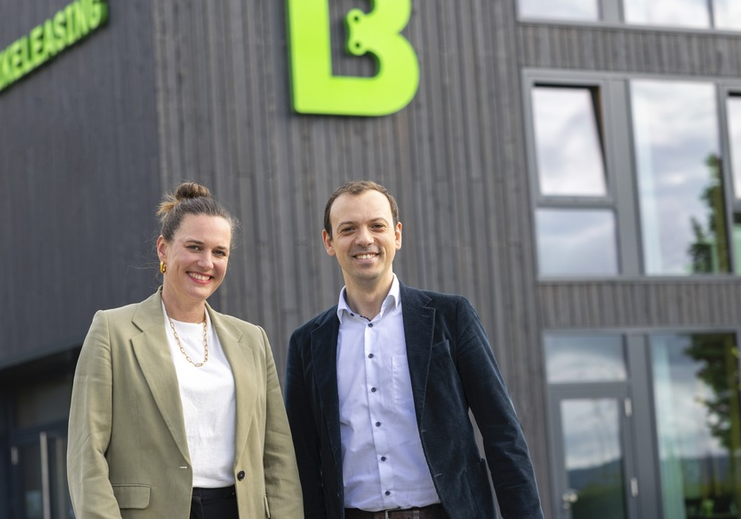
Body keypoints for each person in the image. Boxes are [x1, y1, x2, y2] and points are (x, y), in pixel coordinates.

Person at [285, 180, 544, 519]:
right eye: (348, 229)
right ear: (329, 242)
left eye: (377, 226)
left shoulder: (450, 317)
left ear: (397, 235)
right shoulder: (307, 343)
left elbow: (503, 434)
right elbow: (302, 462)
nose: (364, 239)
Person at [67, 182, 303, 519]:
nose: (206, 262)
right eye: (194, 247)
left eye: (219, 252)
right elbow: (86, 454)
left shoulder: (252, 340)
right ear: (163, 249)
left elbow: (277, 457)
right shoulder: (112, 331)